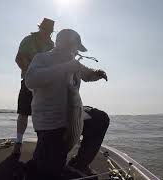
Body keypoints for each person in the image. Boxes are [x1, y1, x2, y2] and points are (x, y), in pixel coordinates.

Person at [24, 29, 108, 179]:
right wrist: (64, 68)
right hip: (50, 125)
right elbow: (30, 80)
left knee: (100, 119)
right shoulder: (43, 58)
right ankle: (42, 159)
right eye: (76, 48)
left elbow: (87, 74)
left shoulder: (74, 64)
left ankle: (79, 164)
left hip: (72, 114)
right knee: (47, 173)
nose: (76, 52)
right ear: (67, 44)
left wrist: (97, 73)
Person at [13, 18, 55, 154]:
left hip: (44, 85)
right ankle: (18, 142)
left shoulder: (52, 45)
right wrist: (31, 73)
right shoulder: (28, 40)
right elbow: (19, 58)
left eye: (49, 31)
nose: (47, 33)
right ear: (40, 28)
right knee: (24, 112)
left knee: (43, 114)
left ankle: (42, 143)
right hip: (28, 81)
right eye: (45, 30)